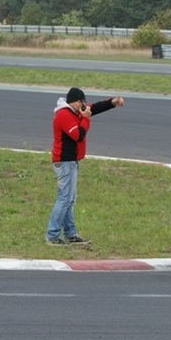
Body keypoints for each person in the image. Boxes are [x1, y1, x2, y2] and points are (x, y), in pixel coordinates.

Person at [46, 87, 125, 246]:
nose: (84, 105)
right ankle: (52, 236)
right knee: (64, 199)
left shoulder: (74, 111)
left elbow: (92, 108)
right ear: (75, 101)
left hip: (72, 161)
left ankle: (70, 234)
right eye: (82, 102)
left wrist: (112, 102)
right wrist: (86, 118)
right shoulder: (63, 115)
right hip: (64, 162)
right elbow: (78, 135)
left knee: (70, 199)